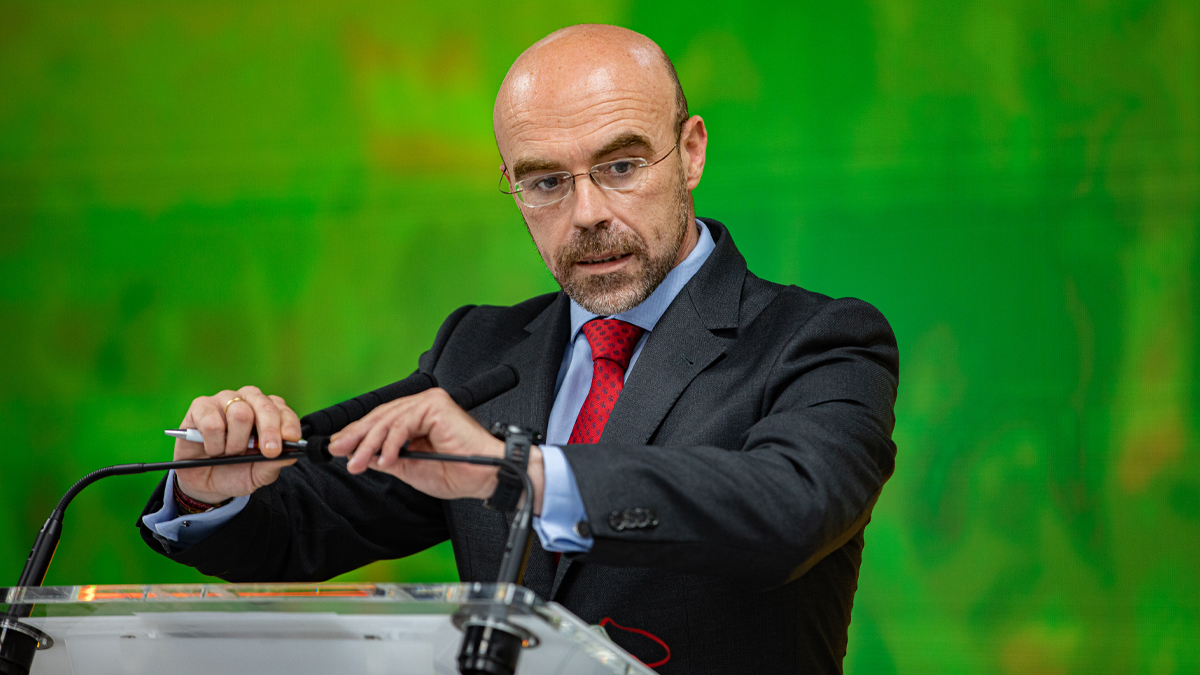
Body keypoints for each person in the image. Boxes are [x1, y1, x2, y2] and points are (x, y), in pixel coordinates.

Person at [137, 24, 898, 674]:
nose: (587, 213)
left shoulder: (818, 341)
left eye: (621, 166)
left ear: (691, 152)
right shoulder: (479, 350)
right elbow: (307, 521)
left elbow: (791, 507)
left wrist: (519, 475)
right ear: (510, 185)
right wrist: (212, 490)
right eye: (545, 182)